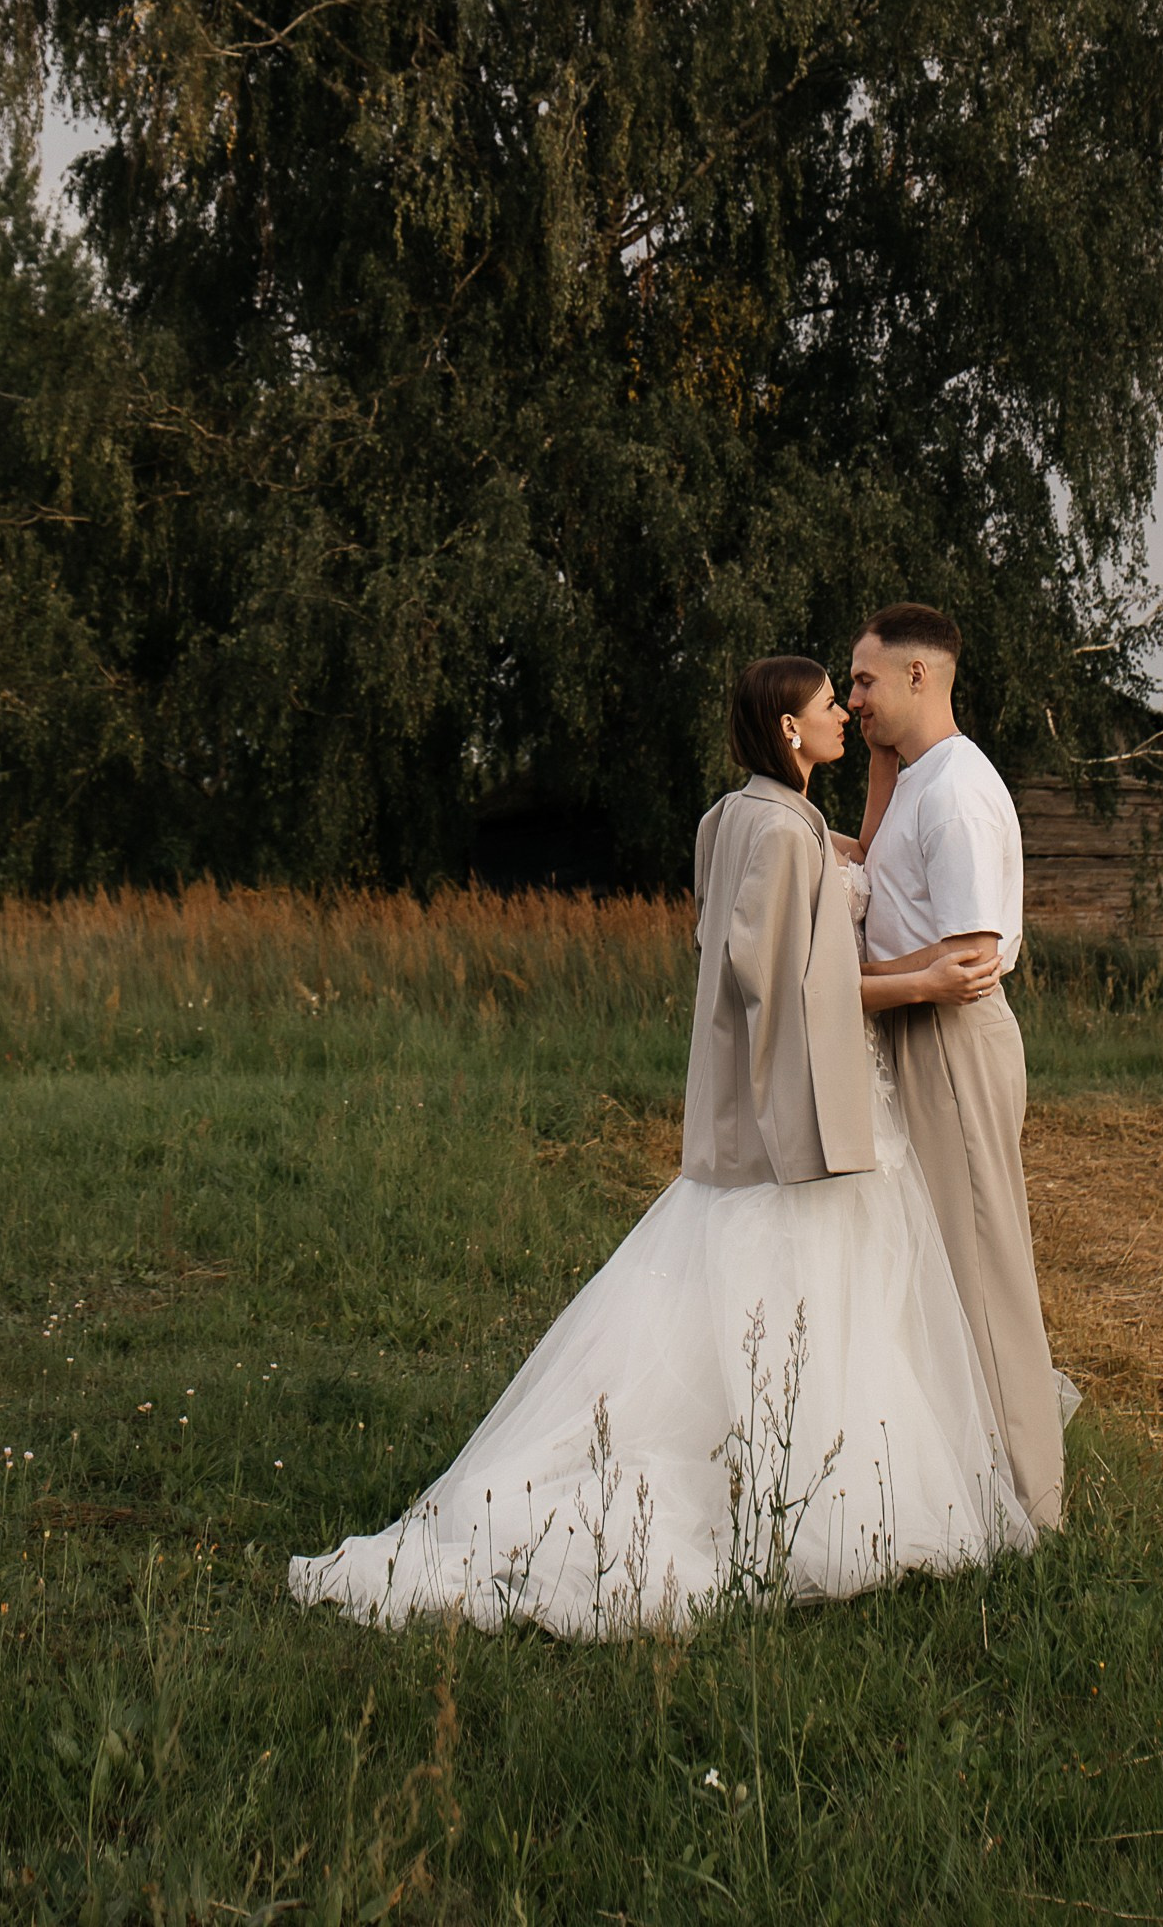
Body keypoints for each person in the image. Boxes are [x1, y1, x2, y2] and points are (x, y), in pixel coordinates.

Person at [290, 655, 1043, 1636]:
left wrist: (879, 774)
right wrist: (923, 985)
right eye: (828, 706)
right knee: (818, 1306)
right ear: (786, 731)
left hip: (789, 1108)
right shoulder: (779, 836)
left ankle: (818, 1485)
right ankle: (825, 1508)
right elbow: (786, 985)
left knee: (814, 1308)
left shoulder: (743, 819)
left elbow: (828, 874)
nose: (844, 717)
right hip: (800, 1119)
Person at [850, 603, 1071, 1532]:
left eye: (864, 679)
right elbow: (883, 878)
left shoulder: (958, 792)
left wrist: (845, 982)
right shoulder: (912, 779)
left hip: (952, 1041)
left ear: (918, 676)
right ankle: (963, 1482)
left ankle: (1031, 1505)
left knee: (982, 1268)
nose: (851, 695)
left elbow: (968, 956)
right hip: (917, 1033)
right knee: (937, 1266)